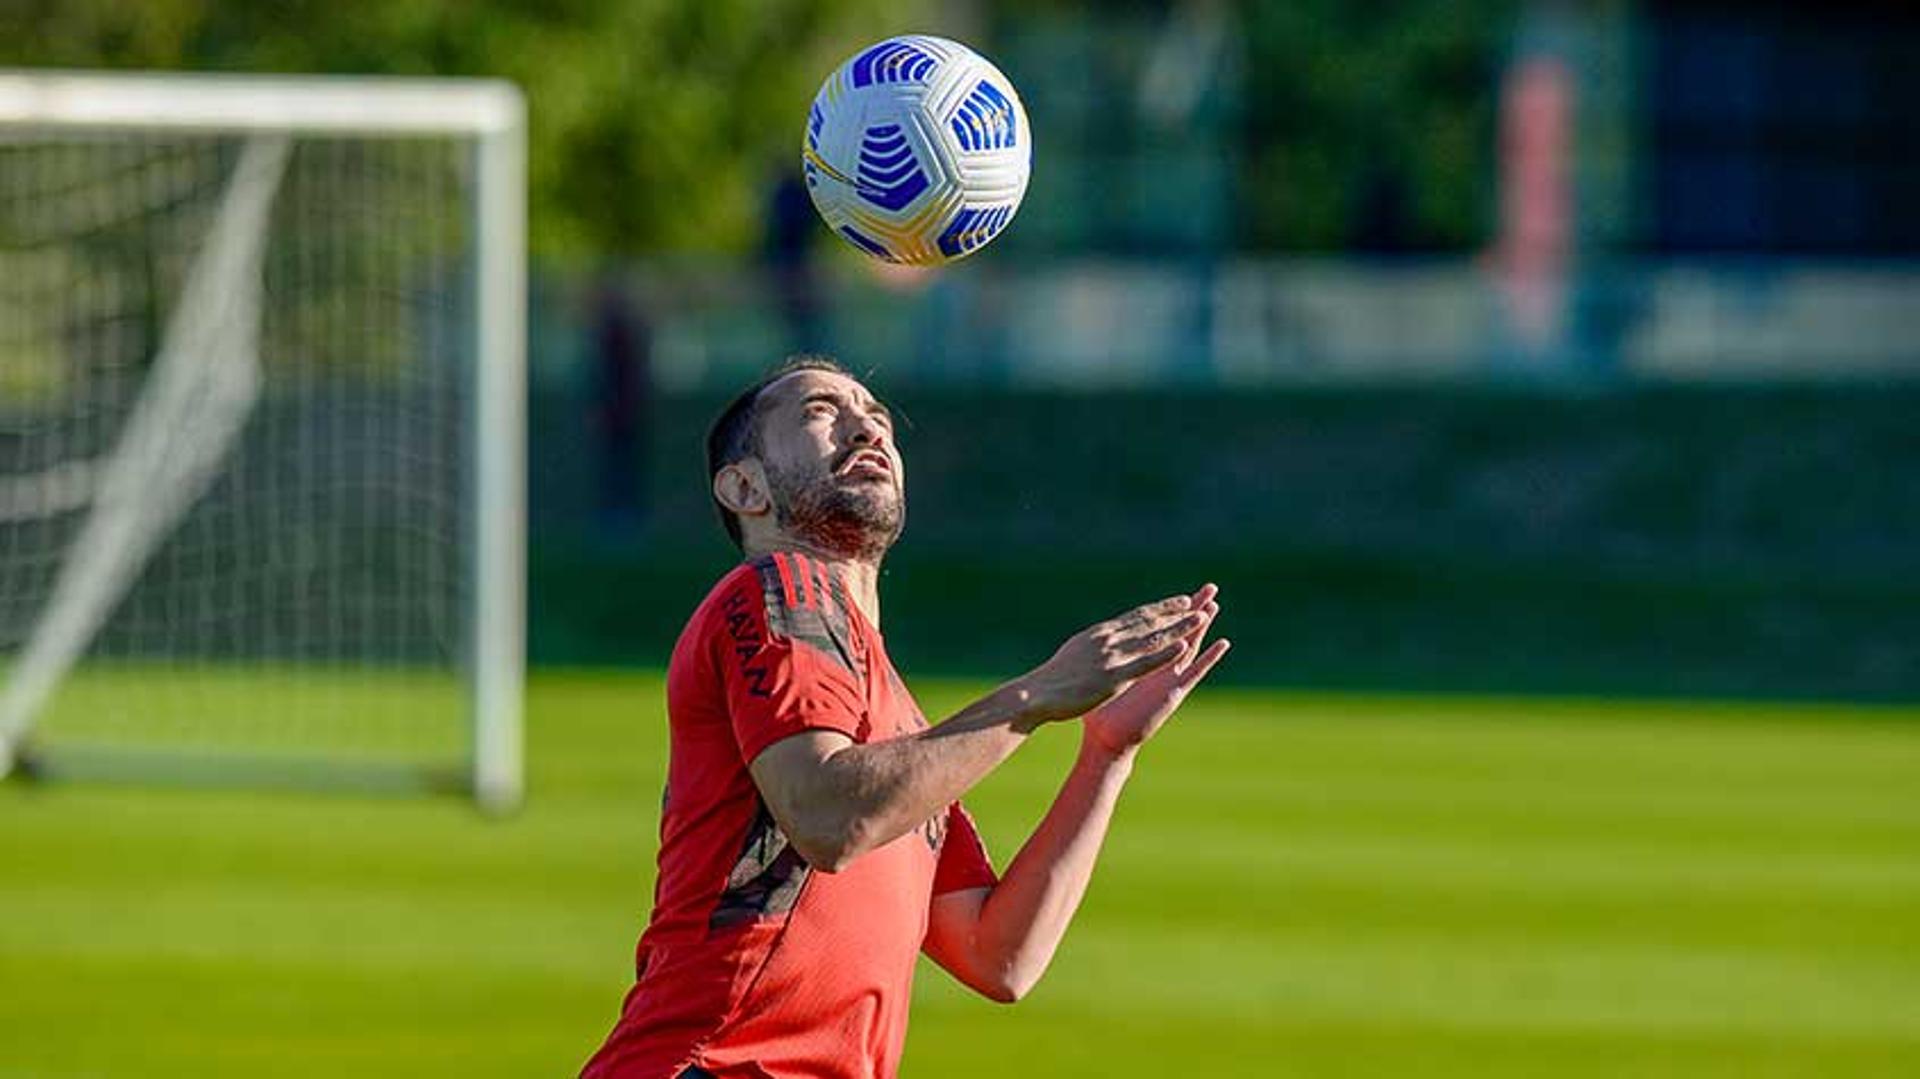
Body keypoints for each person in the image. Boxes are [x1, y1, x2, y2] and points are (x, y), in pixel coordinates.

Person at [580, 356, 1230, 1079]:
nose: (868, 426)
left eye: (879, 417)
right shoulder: (778, 586)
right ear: (745, 487)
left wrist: (1105, 753)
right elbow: (831, 817)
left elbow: (998, 953)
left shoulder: (895, 718)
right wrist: (1039, 692)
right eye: (821, 411)